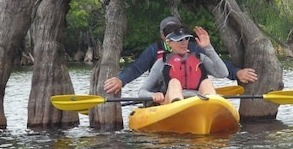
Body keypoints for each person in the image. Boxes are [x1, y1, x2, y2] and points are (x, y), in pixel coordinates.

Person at [102, 16, 258, 95]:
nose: (182, 42)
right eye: (171, 34)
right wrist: (121, 80)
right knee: (174, 83)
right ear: (164, 37)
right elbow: (136, 68)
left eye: (180, 34)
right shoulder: (154, 52)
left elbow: (218, 66)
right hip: (163, 95)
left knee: (206, 83)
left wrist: (237, 72)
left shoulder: (193, 49)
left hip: (194, 96)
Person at [139, 25, 227, 104]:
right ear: (169, 42)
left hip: (199, 102)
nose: (184, 43)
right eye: (179, 40)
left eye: (186, 38)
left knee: (206, 82)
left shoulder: (200, 58)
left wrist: (208, 47)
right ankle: (177, 104)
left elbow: (223, 73)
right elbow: (142, 92)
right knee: (174, 82)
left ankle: (210, 105)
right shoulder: (161, 63)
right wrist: (154, 95)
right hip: (172, 105)